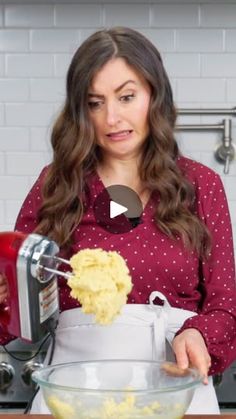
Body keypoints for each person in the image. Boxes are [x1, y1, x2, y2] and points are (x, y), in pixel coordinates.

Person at [0, 27, 235, 414]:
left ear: (154, 96)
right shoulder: (56, 185)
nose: (112, 118)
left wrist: (200, 333)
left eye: (127, 97)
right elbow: (19, 311)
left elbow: (226, 305)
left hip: (176, 393)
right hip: (73, 395)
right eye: (95, 103)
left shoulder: (200, 185)